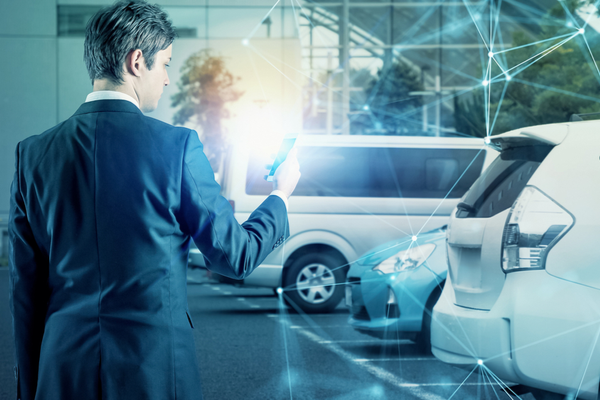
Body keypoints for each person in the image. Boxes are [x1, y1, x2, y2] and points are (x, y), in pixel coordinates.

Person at [8, 1, 301, 399]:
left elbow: (26, 293)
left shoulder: (33, 154)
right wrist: (280, 195)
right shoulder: (177, 148)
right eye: (164, 63)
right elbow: (235, 258)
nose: (166, 79)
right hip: (155, 370)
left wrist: (31, 388)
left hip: (62, 373)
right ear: (136, 61)